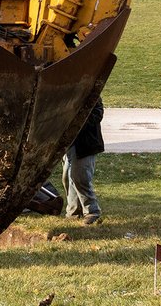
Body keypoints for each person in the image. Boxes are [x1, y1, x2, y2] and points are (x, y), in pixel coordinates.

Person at [63, 96, 104, 225]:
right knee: (67, 177)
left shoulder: (91, 93)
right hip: (69, 143)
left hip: (85, 143)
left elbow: (97, 114)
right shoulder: (66, 93)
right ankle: (73, 212)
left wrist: (77, 121)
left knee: (79, 177)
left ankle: (92, 211)